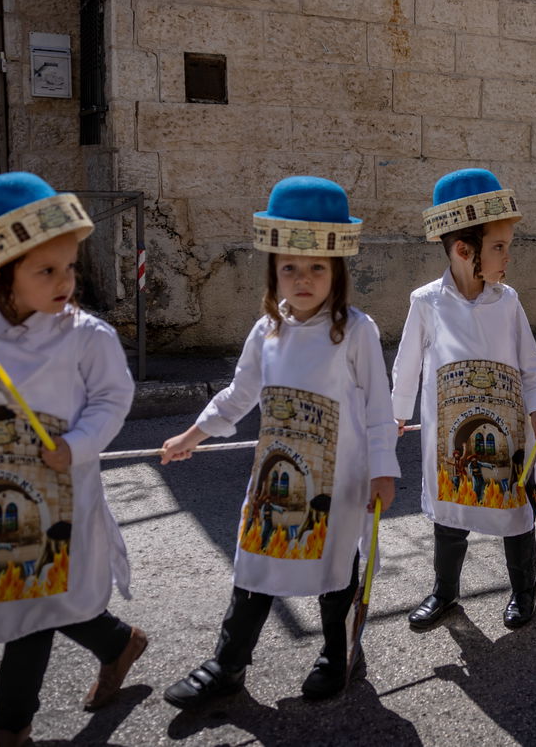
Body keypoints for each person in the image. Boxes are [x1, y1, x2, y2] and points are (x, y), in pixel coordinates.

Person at [160, 177, 397, 707]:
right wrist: (192, 435)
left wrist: (383, 471)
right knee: (256, 560)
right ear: (273, 273)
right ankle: (228, 663)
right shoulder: (266, 330)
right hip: (275, 476)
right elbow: (238, 395)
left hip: (340, 481)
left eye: (316, 267)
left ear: (337, 271)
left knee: (337, 570)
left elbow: (380, 411)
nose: (303, 278)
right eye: (290, 267)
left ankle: (340, 656)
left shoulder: (355, 331)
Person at [0, 173, 143, 747]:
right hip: (2, 499)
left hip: (66, 495)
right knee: (47, 597)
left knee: (32, 605)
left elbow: (112, 399)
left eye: (70, 267)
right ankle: (118, 643)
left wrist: (75, 445)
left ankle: (9, 729)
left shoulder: (87, 337)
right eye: (46, 271)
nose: (65, 283)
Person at [391, 169, 536, 630]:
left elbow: (531, 362)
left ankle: (525, 591)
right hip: (450, 437)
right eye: (499, 247)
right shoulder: (426, 303)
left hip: (508, 432)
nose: (508, 256)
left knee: (515, 511)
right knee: (451, 511)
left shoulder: (508, 302)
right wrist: (396, 416)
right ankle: (444, 592)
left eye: (507, 245)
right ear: (464, 251)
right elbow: (405, 366)